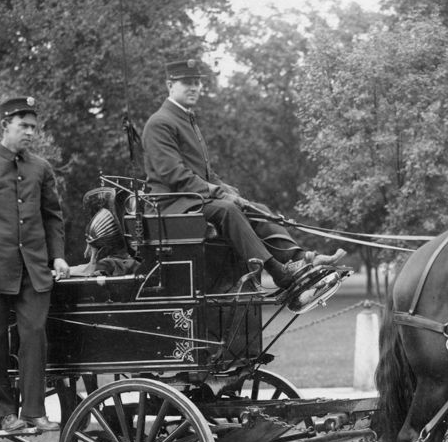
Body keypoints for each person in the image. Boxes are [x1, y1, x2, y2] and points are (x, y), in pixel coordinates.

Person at [141, 57, 344, 293]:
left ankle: (302, 259)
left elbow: (206, 172)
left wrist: (227, 190)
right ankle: (277, 272)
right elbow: (173, 173)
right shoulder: (160, 122)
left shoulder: (187, 120)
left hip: (194, 200)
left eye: (197, 82)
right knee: (227, 210)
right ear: (169, 85)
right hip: (172, 206)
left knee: (254, 208)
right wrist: (219, 193)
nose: (194, 87)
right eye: (187, 82)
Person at [0, 96, 69, 435]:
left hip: (34, 270)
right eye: (24, 126)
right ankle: (5, 413)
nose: (31, 133)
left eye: (34, 127)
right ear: (5, 125)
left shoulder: (41, 168)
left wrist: (58, 256)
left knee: (34, 336)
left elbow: (52, 217)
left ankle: (34, 411)